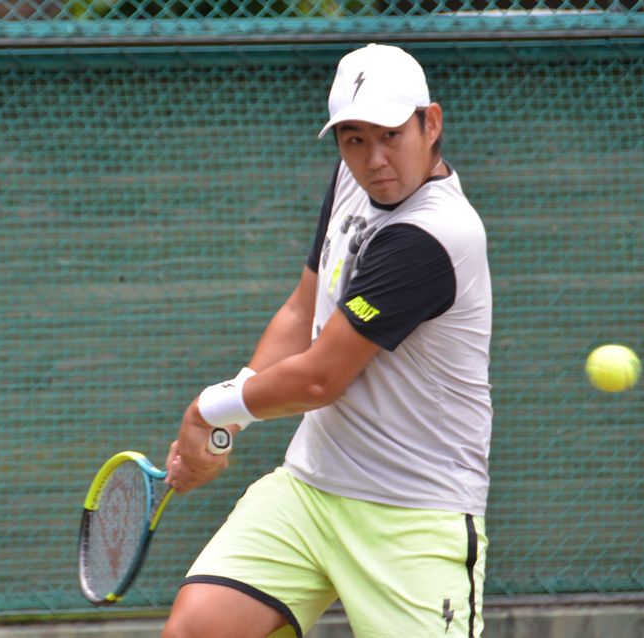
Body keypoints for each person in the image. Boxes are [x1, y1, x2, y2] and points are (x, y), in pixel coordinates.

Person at [162, 43, 493, 638]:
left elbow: (320, 378)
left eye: (390, 135)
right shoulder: (351, 179)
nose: (374, 159)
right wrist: (226, 424)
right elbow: (301, 310)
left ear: (430, 123)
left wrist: (207, 410)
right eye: (354, 139)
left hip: (413, 514)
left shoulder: (434, 234)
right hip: (310, 490)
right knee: (197, 630)